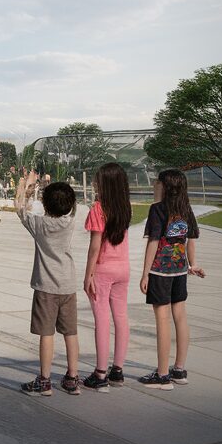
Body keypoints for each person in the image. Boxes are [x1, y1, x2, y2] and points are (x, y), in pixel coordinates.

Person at [16, 170, 81, 397]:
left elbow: (19, 208)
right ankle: (72, 378)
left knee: (47, 334)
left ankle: (44, 381)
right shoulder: (70, 223)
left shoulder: (40, 225)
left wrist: (26, 187)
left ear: (44, 204)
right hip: (68, 286)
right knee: (70, 333)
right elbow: (72, 206)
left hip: (46, 288)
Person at [139, 168, 206, 389]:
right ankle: (179, 369)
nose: (155, 185)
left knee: (163, 320)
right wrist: (192, 264)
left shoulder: (157, 209)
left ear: (164, 187)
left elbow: (153, 242)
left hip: (160, 272)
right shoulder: (186, 208)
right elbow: (191, 239)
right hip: (179, 271)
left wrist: (145, 273)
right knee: (180, 317)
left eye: (157, 182)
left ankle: (162, 375)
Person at [82, 162, 132, 390]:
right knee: (121, 317)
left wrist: (88, 274)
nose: (94, 183)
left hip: (103, 269)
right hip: (123, 269)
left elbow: (95, 247)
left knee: (102, 319)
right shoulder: (125, 207)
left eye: (97, 180)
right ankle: (117, 370)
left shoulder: (99, 209)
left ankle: (100, 373)